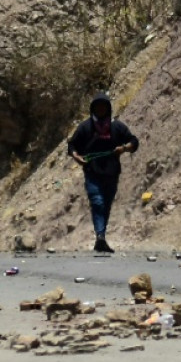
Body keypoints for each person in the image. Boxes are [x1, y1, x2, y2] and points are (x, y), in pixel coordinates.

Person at [66, 93, 139, 253]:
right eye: (97, 106)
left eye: (103, 106)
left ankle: (101, 237)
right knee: (97, 202)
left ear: (108, 108)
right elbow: (71, 146)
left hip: (112, 172)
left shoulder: (117, 127)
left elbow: (134, 141)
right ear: (93, 109)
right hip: (92, 172)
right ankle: (100, 236)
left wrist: (124, 148)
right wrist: (77, 157)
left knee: (105, 205)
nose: (100, 109)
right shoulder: (85, 127)